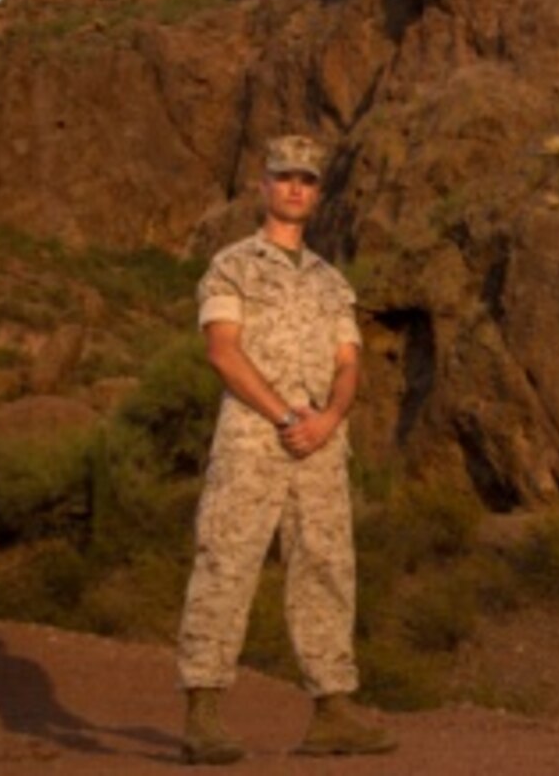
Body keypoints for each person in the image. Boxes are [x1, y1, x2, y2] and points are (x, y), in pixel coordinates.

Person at [176, 134, 395, 764]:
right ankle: (203, 713)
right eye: (284, 176)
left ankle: (332, 713)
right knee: (226, 563)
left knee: (327, 567)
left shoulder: (331, 283)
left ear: (317, 194)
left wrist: (328, 419)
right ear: (264, 185)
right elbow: (223, 351)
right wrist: (284, 415)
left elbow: (348, 363)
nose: (295, 187)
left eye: (307, 179)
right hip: (253, 440)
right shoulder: (233, 266)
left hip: (321, 446)